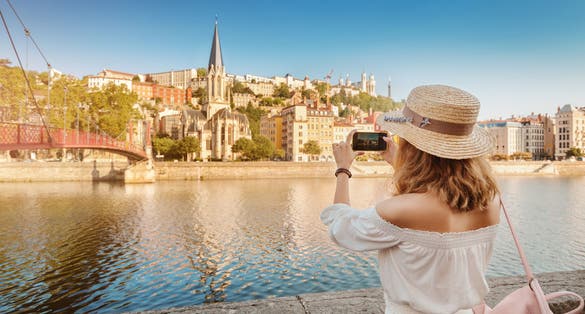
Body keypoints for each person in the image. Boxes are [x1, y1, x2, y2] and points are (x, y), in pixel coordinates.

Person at [321, 85, 500, 314]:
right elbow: (439, 195)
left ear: (413, 147)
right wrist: (400, 163)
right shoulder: (491, 202)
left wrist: (343, 169)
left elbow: (340, 227)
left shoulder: (399, 211)